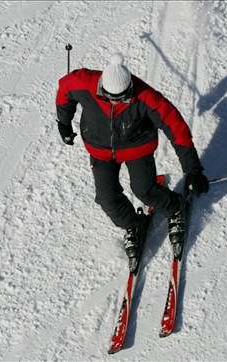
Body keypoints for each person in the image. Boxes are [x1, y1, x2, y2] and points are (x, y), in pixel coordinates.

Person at [55, 53, 209, 270]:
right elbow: (64, 89)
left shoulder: (145, 96)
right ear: (102, 87)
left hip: (137, 148)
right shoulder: (83, 83)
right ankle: (134, 225)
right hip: (100, 150)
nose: (117, 102)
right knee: (106, 198)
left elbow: (176, 127)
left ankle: (175, 207)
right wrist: (64, 123)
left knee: (144, 190)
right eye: (111, 97)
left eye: (123, 97)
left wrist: (193, 169)